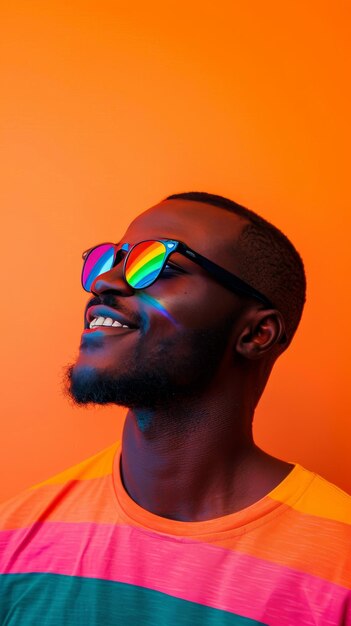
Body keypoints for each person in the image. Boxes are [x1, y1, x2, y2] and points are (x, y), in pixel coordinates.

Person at [0, 191, 350, 625]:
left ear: (257, 333)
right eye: (110, 261)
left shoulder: (340, 567)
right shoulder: (15, 538)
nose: (105, 283)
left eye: (157, 265)